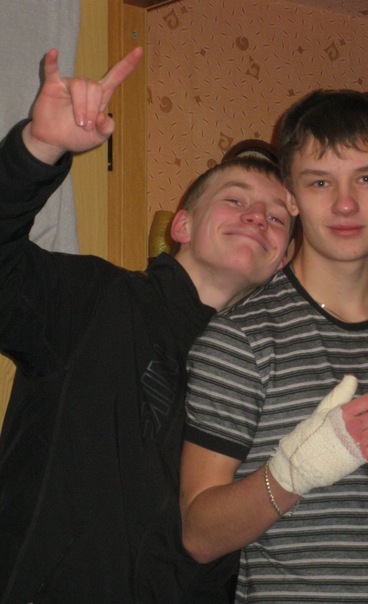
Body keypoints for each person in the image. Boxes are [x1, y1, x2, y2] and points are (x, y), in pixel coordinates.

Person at [0, 47, 297, 604]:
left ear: (282, 261)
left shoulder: (268, 373)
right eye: (235, 199)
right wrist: (37, 149)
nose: (257, 216)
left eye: (277, 217)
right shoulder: (94, 299)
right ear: (181, 225)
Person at [180, 89, 368, 603]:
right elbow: (199, 535)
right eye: (320, 182)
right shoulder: (240, 340)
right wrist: (292, 474)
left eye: (366, 178)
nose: (345, 204)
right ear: (292, 198)